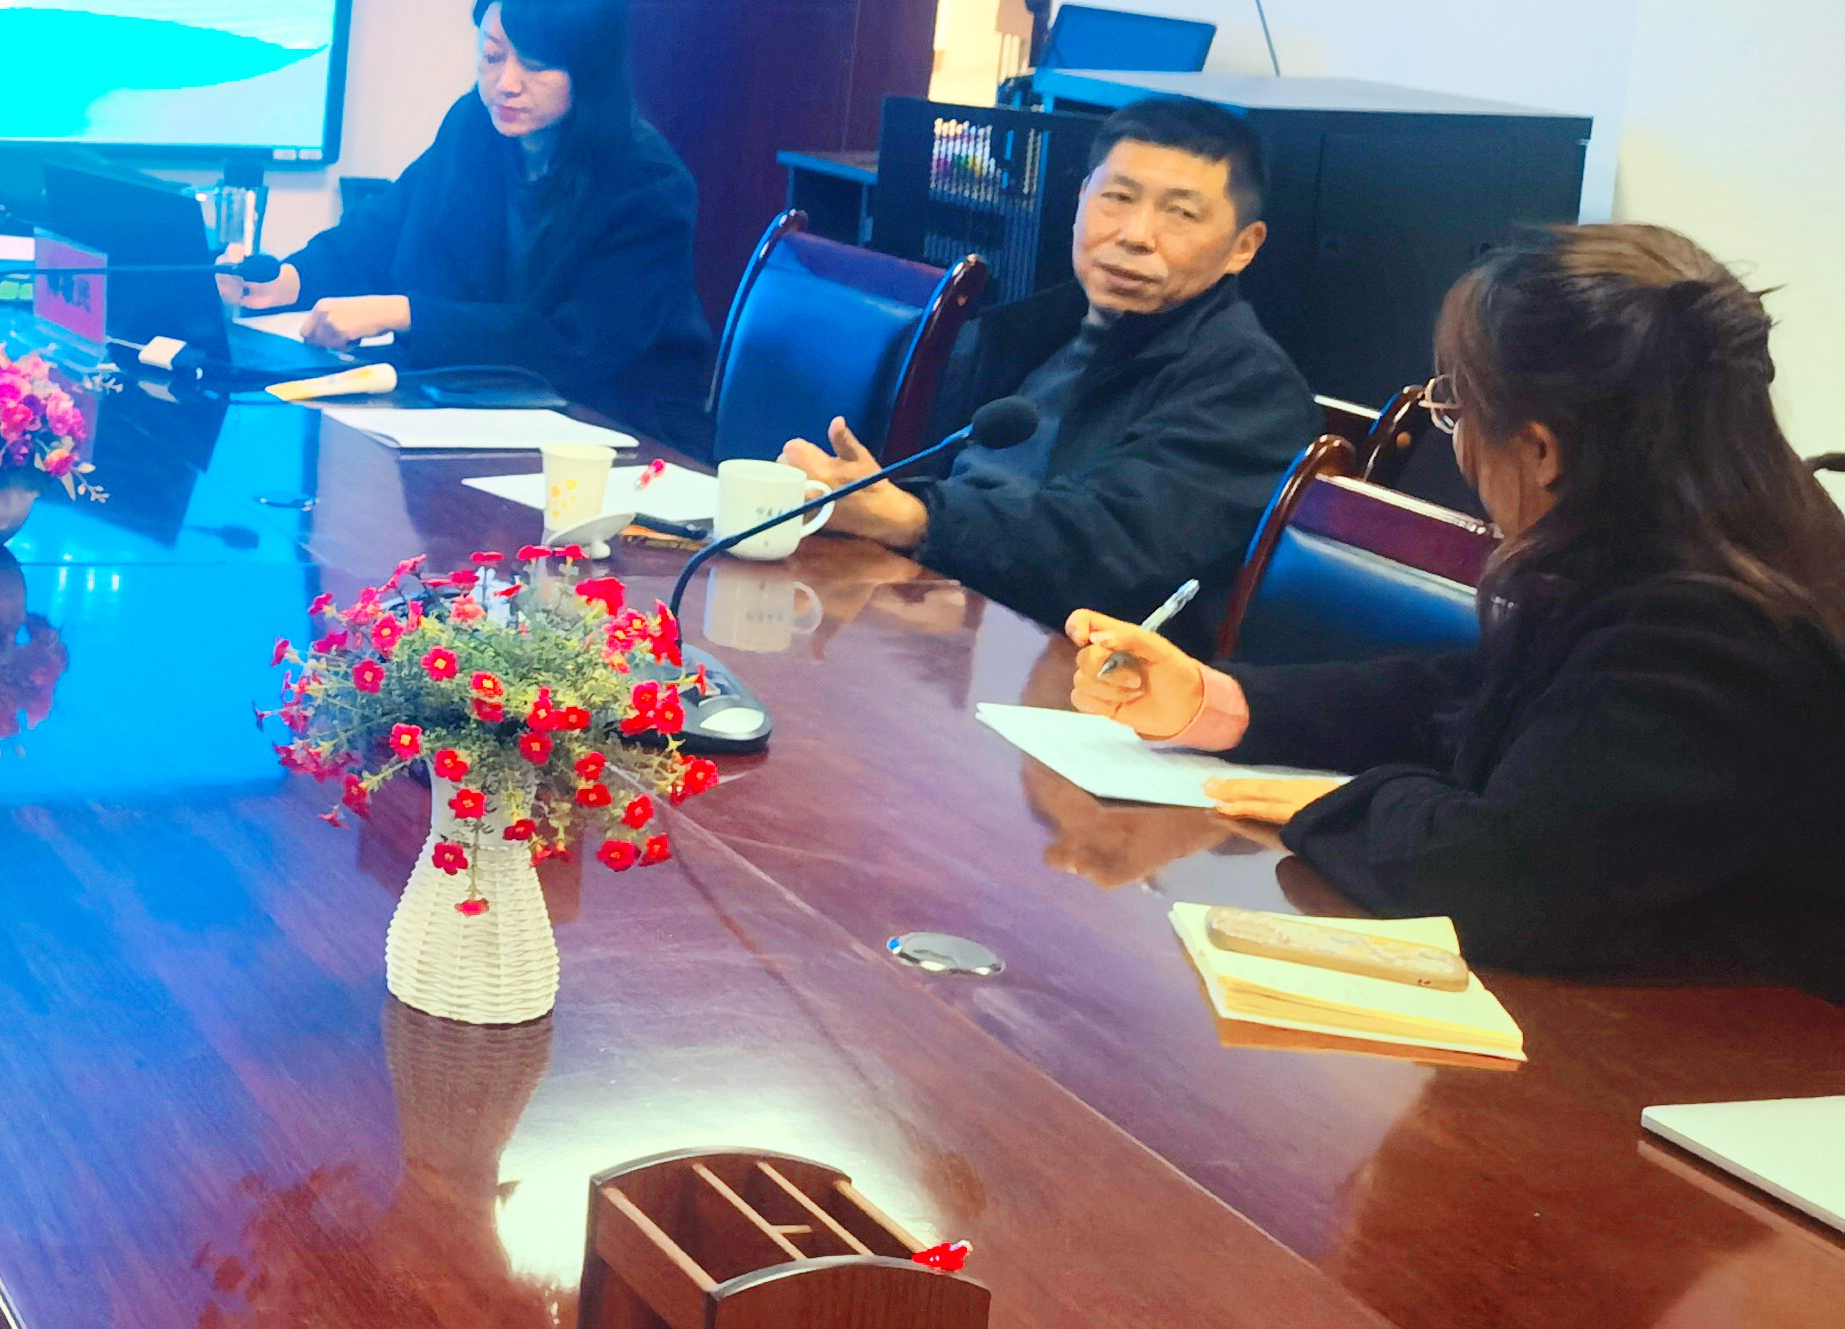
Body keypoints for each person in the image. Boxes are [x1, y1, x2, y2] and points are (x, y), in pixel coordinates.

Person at [1067, 224, 1845, 994]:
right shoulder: (1696, 532)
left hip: (1760, 1043)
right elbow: (1485, 700)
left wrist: (1346, 807)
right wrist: (1223, 703)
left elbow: (1507, 882)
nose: (1458, 440)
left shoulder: (1723, 620)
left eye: (1457, 407)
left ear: (1540, 450)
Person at [781, 96, 1310, 632]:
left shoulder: (1254, 391)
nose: (1135, 235)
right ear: (1080, 201)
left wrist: (914, 519)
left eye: (1181, 213)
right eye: (1118, 197)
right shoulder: (1015, 330)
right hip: (925, 606)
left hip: (1064, 651)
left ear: (1244, 247)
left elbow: (1107, 548)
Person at [241, 0, 710, 450]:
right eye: (492, 56)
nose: (505, 84)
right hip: (478, 408)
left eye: (536, 65)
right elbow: (385, 228)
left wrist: (405, 313)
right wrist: (288, 280)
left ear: (590, 71)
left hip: (616, 431)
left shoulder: (649, 184)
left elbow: (575, 346)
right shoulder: (474, 125)